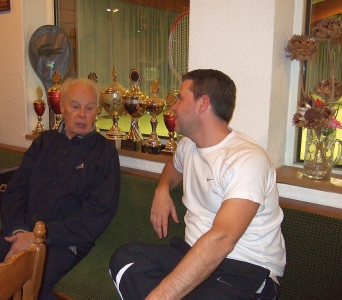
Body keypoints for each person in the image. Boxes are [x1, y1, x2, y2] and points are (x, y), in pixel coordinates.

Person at [109, 69, 286, 300]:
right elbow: (173, 167)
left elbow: (222, 238)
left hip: (244, 268)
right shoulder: (188, 146)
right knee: (125, 260)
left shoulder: (246, 158)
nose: (173, 106)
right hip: (191, 252)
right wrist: (162, 190)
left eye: (181, 98)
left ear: (203, 104)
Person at [0, 78, 121, 300]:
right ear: (63, 107)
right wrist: (20, 231)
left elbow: (97, 213)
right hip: (21, 231)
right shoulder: (44, 142)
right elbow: (16, 190)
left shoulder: (104, 153)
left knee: (25, 284)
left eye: (89, 107)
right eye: (75, 106)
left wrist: (41, 236)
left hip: (65, 243)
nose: (82, 114)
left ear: (97, 110)